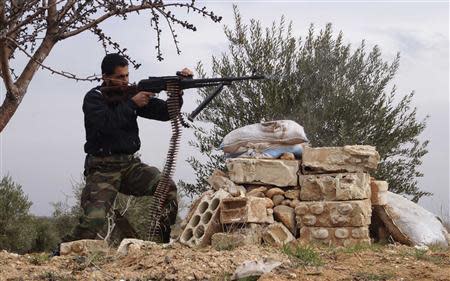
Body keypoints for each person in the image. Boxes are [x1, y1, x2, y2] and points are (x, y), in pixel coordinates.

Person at [65, 53, 192, 244]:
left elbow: (166, 112)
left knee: (167, 188)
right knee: (93, 221)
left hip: (130, 166)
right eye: (120, 77)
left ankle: (160, 244)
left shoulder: (129, 96)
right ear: (105, 77)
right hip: (103, 168)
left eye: (127, 76)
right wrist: (132, 104)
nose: (125, 81)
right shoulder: (94, 98)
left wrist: (177, 92)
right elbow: (105, 125)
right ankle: (62, 253)